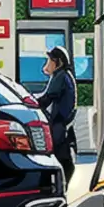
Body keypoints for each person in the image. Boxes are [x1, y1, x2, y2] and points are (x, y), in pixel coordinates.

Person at [36, 45, 78, 186]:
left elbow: (47, 98)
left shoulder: (60, 76)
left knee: (57, 156)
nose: (48, 64)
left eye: (50, 60)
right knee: (63, 157)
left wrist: (30, 103)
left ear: (58, 62)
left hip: (59, 123)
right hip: (63, 123)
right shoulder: (64, 75)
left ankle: (59, 187)